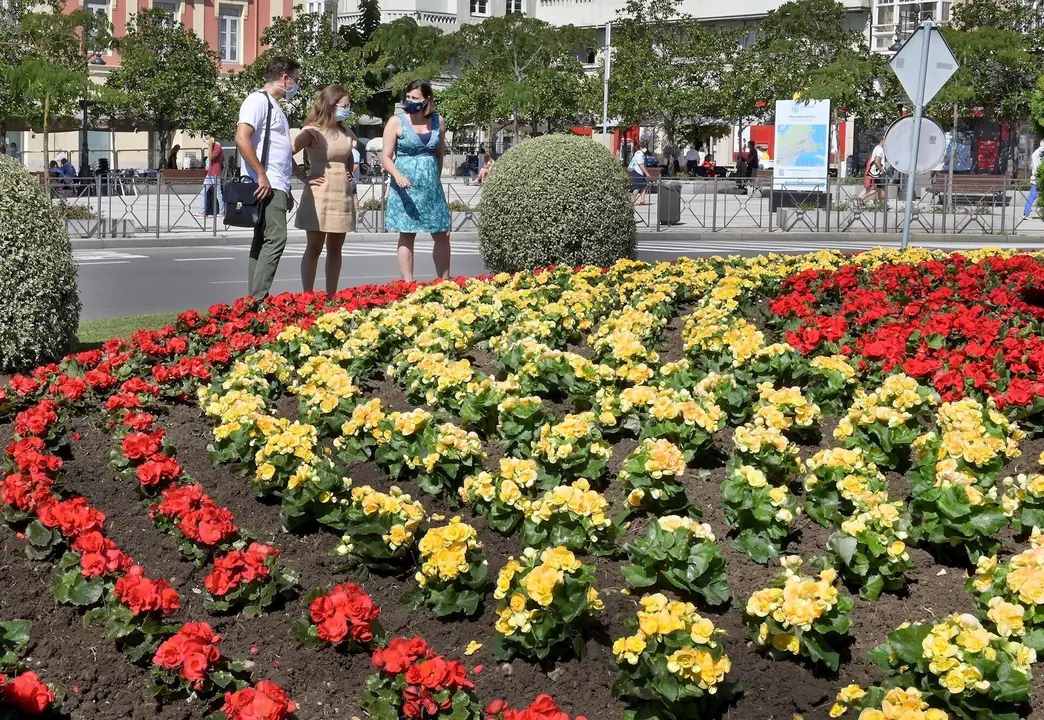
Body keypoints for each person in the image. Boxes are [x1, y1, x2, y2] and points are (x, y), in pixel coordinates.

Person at [235, 55, 301, 299]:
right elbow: (242, 138)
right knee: (276, 238)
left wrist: (291, 185)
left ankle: (253, 299)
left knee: (263, 240)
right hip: (266, 183)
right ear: (284, 78)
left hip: (275, 184)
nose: (296, 85)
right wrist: (261, 175)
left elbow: (280, 152)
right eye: (295, 79)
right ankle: (258, 299)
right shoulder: (258, 100)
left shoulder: (276, 108)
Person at [381, 79, 452, 283]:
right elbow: (385, 156)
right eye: (409, 97)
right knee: (407, 233)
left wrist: (435, 177)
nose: (410, 101)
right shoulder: (396, 121)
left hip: (431, 188)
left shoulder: (438, 121)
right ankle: (408, 283)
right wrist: (398, 175)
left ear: (427, 100)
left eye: (415, 98)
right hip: (406, 187)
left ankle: (444, 281)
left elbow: (439, 154)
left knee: (441, 232)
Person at [293, 84, 356, 295]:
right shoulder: (313, 130)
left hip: (342, 194)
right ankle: (307, 295)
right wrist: (303, 177)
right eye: (344, 105)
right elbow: (287, 153)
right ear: (331, 105)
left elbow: (348, 157)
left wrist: (348, 170)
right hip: (319, 194)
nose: (347, 109)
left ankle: (331, 295)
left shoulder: (346, 131)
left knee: (336, 250)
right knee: (314, 247)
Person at [197, 132, 225, 217]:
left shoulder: (217, 147)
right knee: (203, 191)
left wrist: (210, 146)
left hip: (215, 173)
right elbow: (204, 139)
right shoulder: (211, 145)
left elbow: (211, 157)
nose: (207, 138)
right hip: (209, 174)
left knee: (218, 193)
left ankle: (222, 212)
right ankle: (202, 211)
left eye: (208, 136)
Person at [859, 136, 886, 204]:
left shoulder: (876, 148)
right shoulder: (880, 149)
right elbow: (877, 161)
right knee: (879, 189)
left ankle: (860, 199)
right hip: (878, 172)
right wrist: (882, 171)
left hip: (873, 172)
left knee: (876, 189)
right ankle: (882, 205)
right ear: (882, 139)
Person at [1024, 139, 1044, 221]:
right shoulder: (1042, 152)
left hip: (1035, 176)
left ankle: (1026, 212)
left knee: (1032, 195)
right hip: (1041, 176)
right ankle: (1026, 212)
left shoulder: (1035, 153)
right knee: (1033, 195)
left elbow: (1033, 165)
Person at [628, 141, 650, 206]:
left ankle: (642, 200)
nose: (645, 148)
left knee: (644, 185)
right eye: (644, 147)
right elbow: (641, 165)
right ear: (640, 147)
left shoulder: (640, 154)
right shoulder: (639, 154)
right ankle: (632, 200)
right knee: (637, 187)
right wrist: (646, 173)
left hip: (639, 172)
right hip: (637, 172)